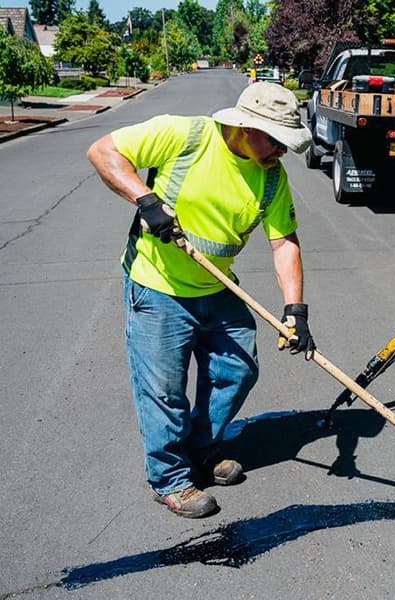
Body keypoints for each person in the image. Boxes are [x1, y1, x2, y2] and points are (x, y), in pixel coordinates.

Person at [86, 83, 315, 518]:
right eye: (276, 140)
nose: (282, 150)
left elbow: (284, 242)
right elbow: (102, 152)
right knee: (164, 391)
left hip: (217, 286)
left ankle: (201, 448)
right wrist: (146, 200)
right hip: (158, 285)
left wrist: (295, 310)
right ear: (247, 128)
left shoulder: (271, 176)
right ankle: (169, 479)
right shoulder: (184, 135)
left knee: (238, 370)